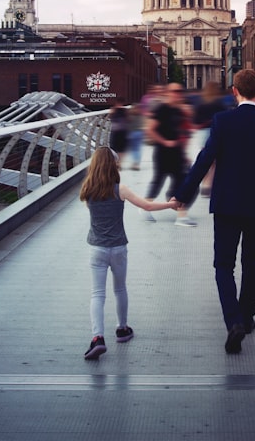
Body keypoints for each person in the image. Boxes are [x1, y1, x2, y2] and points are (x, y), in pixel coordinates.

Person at [171, 69, 255, 354]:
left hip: (226, 204)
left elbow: (203, 159)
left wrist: (184, 194)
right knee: (252, 262)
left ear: (234, 91)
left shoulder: (222, 121)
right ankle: (247, 317)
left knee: (223, 265)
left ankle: (232, 320)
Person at [79, 147, 179, 360]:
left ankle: (97, 338)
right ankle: (122, 329)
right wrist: (170, 204)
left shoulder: (87, 188)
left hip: (96, 248)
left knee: (97, 294)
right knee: (120, 289)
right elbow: (147, 206)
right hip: (118, 248)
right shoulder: (120, 189)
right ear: (114, 165)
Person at [144, 82, 196, 226]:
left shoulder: (179, 111)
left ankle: (181, 214)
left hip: (177, 153)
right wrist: (165, 141)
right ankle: (146, 206)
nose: (178, 94)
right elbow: (150, 129)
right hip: (162, 152)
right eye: (174, 91)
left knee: (183, 182)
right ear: (168, 93)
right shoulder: (162, 109)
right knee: (158, 181)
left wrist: (184, 154)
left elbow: (182, 132)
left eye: (180, 91)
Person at [192, 82, 228, 196]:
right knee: (214, 161)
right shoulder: (219, 103)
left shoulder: (200, 103)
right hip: (214, 132)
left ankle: (205, 182)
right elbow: (224, 119)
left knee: (206, 158)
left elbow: (195, 120)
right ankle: (208, 183)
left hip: (202, 133)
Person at [127, 85, 159, 171]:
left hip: (137, 129)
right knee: (137, 147)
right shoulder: (147, 98)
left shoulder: (152, 99)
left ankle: (135, 163)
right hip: (142, 126)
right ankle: (137, 163)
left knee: (135, 148)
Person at [108, 102, 129, 167]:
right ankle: (119, 162)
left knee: (113, 147)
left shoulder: (113, 110)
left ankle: (115, 162)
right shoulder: (125, 111)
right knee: (121, 148)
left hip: (115, 132)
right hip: (123, 132)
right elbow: (128, 120)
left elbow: (111, 118)